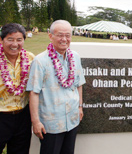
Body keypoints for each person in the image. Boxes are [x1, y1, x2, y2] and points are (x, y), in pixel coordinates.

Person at [27, 20, 86, 154]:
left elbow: (79, 84)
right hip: (51, 123)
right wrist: (35, 121)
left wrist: (80, 106)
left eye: (68, 35)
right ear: (50, 36)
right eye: (60, 35)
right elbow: (34, 93)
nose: (64, 39)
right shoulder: (40, 61)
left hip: (72, 119)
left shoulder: (75, 57)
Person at [0, 23, 35, 154]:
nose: (15, 44)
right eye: (10, 39)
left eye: (19, 40)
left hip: (22, 116)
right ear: (1, 40)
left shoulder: (30, 58)